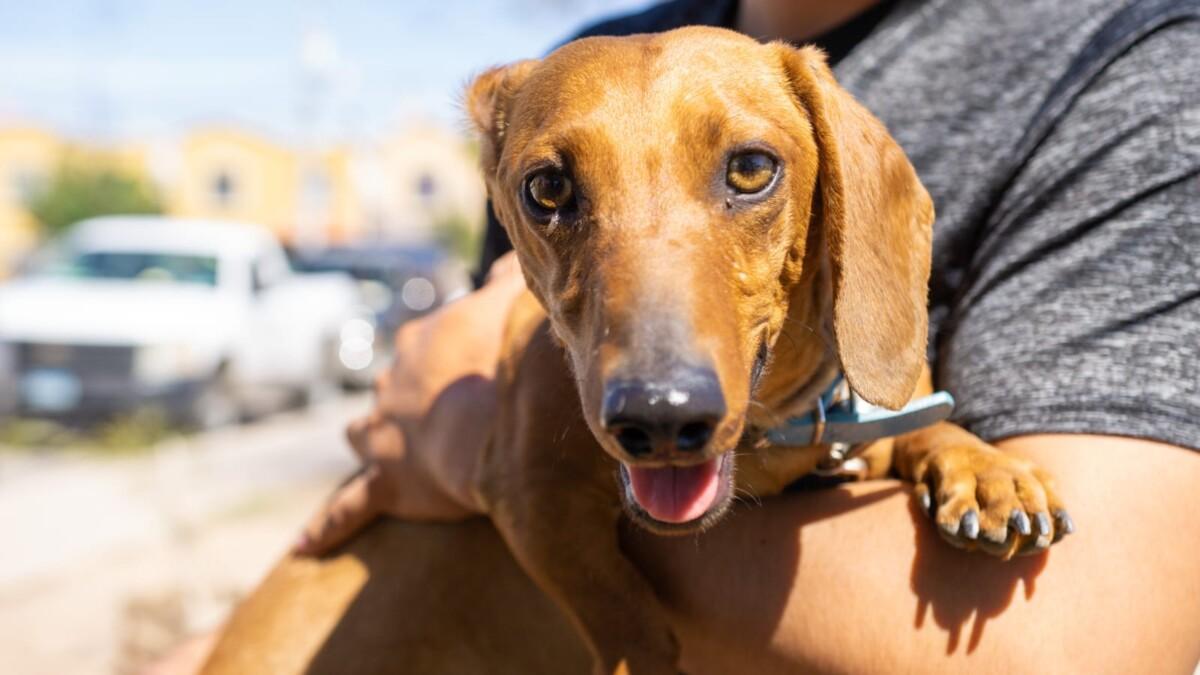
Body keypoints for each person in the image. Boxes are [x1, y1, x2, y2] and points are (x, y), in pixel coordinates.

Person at [295, 0, 1200, 671]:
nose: (656, 399)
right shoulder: (569, 78)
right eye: (553, 195)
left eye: (749, 173)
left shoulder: (1126, 65)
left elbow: (1092, 638)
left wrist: (464, 446)